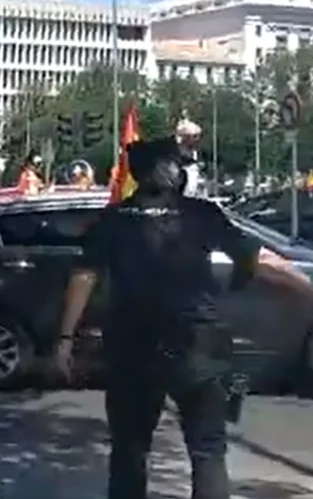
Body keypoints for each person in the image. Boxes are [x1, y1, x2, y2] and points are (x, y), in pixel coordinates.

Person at [55, 137, 313, 499]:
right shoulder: (201, 215)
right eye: (178, 163)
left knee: (130, 450)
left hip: (133, 349)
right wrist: (302, 288)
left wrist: (65, 340)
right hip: (198, 346)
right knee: (207, 450)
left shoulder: (112, 221)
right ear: (168, 171)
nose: (183, 170)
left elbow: (84, 276)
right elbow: (260, 262)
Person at [176, 118, 204, 197]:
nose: (197, 139)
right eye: (194, 136)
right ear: (185, 137)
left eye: (198, 136)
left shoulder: (194, 153)